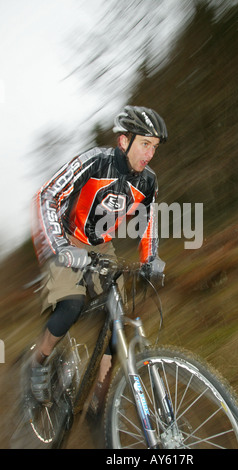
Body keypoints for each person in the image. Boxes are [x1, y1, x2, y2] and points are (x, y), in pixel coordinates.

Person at [30, 105, 167, 407]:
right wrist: (61, 248)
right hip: (69, 240)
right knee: (71, 305)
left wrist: (150, 259)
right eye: (145, 144)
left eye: (154, 147)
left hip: (104, 246)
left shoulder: (147, 181)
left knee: (120, 315)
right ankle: (38, 363)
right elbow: (47, 195)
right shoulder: (94, 161)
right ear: (124, 141)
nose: (149, 154)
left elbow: (148, 221)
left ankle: (99, 399)